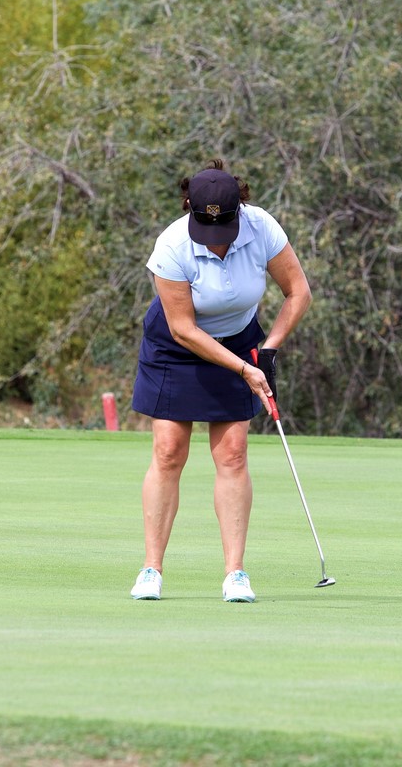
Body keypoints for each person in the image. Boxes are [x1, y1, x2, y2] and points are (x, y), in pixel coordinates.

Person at [129, 159, 312, 602]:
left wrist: (268, 350)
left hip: (239, 339)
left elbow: (298, 292)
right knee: (169, 451)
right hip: (177, 349)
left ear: (240, 209)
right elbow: (183, 329)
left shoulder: (262, 228)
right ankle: (151, 569)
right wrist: (243, 368)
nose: (216, 241)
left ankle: (235, 573)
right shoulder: (172, 245)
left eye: (224, 228)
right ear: (190, 209)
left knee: (233, 453)